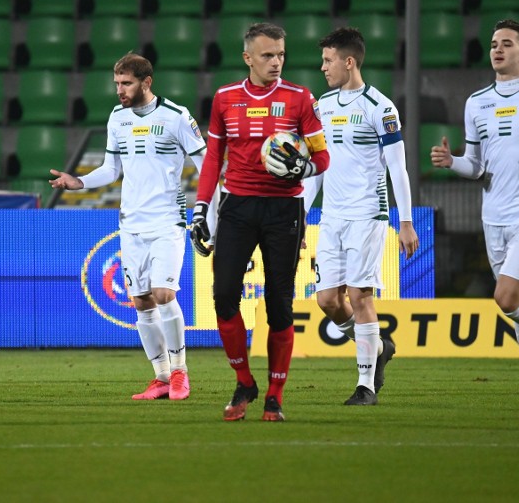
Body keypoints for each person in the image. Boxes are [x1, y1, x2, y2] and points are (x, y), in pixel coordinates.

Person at [431, 20, 519, 422]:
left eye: (506, 44)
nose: (497, 50)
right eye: (493, 44)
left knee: (506, 298)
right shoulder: (476, 102)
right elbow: (476, 166)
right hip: (494, 214)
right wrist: (451, 162)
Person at [191, 22, 330, 421]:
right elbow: (213, 159)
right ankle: (244, 381)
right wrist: (201, 208)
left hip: (284, 210)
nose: (276, 62)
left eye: (281, 55)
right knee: (223, 296)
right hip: (236, 208)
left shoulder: (301, 99)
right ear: (247, 58)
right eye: (267, 55)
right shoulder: (224, 99)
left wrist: (301, 169)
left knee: (279, 303)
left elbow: (322, 158)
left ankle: (275, 394)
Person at [49, 53, 207, 401]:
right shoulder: (117, 118)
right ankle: (162, 378)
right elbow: (112, 169)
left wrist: (206, 211)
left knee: (164, 294)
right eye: (117, 83)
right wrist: (79, 182)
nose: (120, 90)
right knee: (141, 302)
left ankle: (181, 372)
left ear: (146, 82)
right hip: (131, 224)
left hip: (168, 221)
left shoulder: (176, 117)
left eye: (127, 83)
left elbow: (206, 163)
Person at [301, 27, 418, 406]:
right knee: (328, 302)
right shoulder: (323, 106)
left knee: (360, 295)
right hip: (331, 217)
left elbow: (397, 169)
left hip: (368, 213)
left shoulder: (380, 108)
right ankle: (378, 346)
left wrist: (405, 222)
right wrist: (301, 216)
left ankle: (366, 386)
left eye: (328, 60)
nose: (323, 68)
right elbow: (318, 168)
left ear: (349, 62)